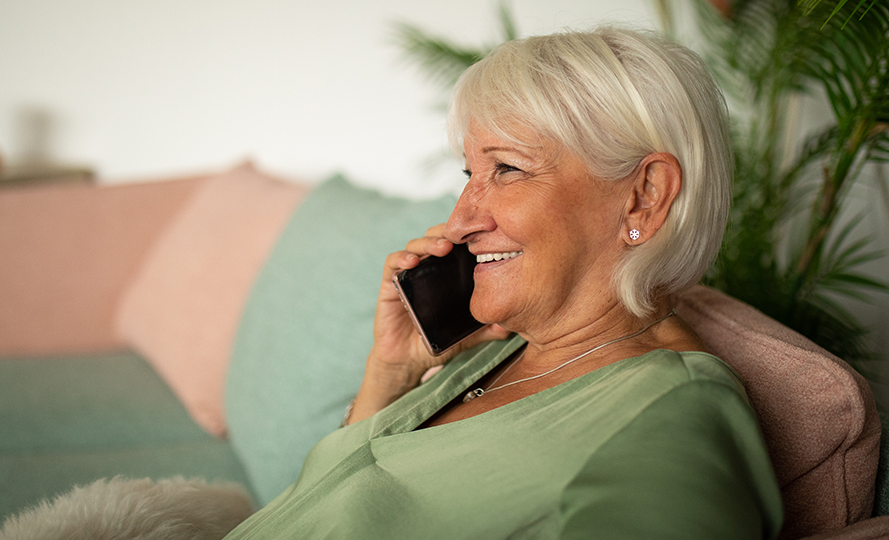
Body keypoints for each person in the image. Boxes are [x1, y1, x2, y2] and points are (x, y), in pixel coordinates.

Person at [225, 27, 783, 539]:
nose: (459, 221)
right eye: (471, 174)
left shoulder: (673, 415)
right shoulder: (502, 347)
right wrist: (390, 373)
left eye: (508, 169)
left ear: (645, 195)